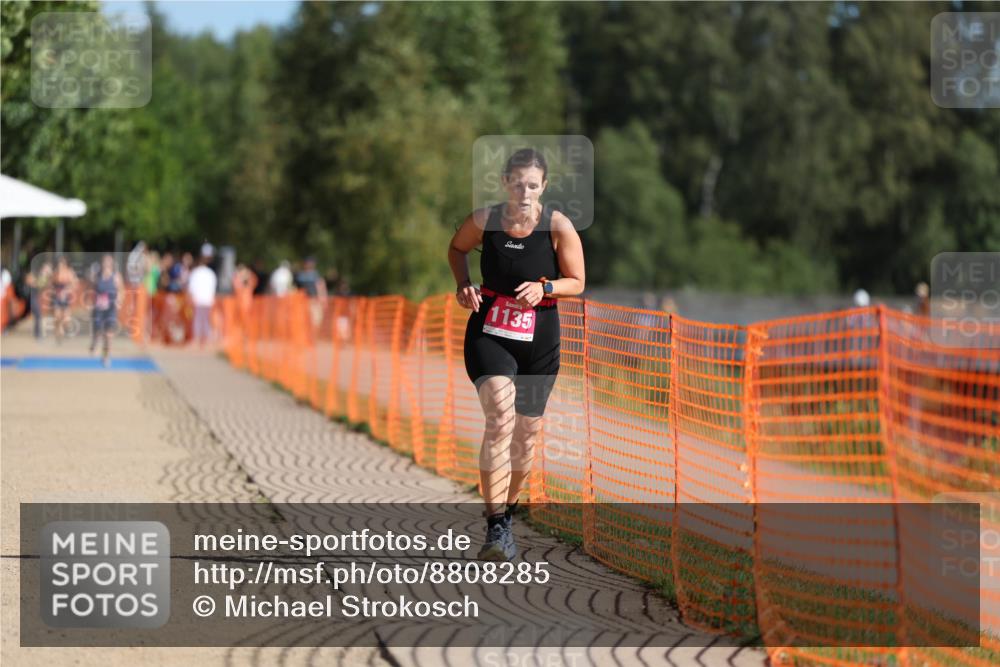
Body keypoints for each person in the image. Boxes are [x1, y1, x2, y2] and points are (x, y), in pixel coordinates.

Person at [447, 148, 586, 561]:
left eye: (532, 184)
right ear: (505, 182)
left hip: (540, 340)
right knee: (500, 418)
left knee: (526, 437)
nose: (524, 191)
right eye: (517, 182)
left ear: (543, 187)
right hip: (490, 333)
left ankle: (508, 513)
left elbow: (577, 281)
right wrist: (463, 285)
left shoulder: (558, 227)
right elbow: (456, 250)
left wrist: (545, 288)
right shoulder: (485, 221)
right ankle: (495, 526)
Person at [89, 254, 123, 367]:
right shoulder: (97, 276)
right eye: (105, 262)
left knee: (108, 335)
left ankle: (106, 356)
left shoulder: (116, 276)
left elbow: (121, 290)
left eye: (109, 262)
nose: (106, 264)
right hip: (99, 308)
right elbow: (92, 289)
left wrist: (119, 300)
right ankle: (94, 343)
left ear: (112, 264)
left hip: (111, 308)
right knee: (98, 332)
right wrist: (91, 301)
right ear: (102, 263)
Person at [188, 253, 218, 348]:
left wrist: (192, 297)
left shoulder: (195, 272)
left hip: (198, 299)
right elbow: (213, 286)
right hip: (207, 299)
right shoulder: (210, 273)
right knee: (206, 319)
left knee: (198, 319)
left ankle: (198, 339)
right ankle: (206, 339)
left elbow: (191, 286)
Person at [51, 256, 77, 344]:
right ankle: (58, 332)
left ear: (65, 264)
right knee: (57, 316)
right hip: (57, 297)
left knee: (66, 319)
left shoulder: (69, 272)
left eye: (62, 263)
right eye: (59, 264)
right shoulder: (55, 273)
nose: (60, 265)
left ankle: (63, 329)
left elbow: (74, 284)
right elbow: (51, 284)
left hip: (66, 297)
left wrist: (66, 290)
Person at [295, 257, 328, 328]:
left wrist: (323, 300)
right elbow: (296, 288)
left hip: (314, 301)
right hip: (302, 301)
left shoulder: (316, 275)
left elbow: (321, 287)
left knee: (315, 321)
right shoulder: (300, 275)